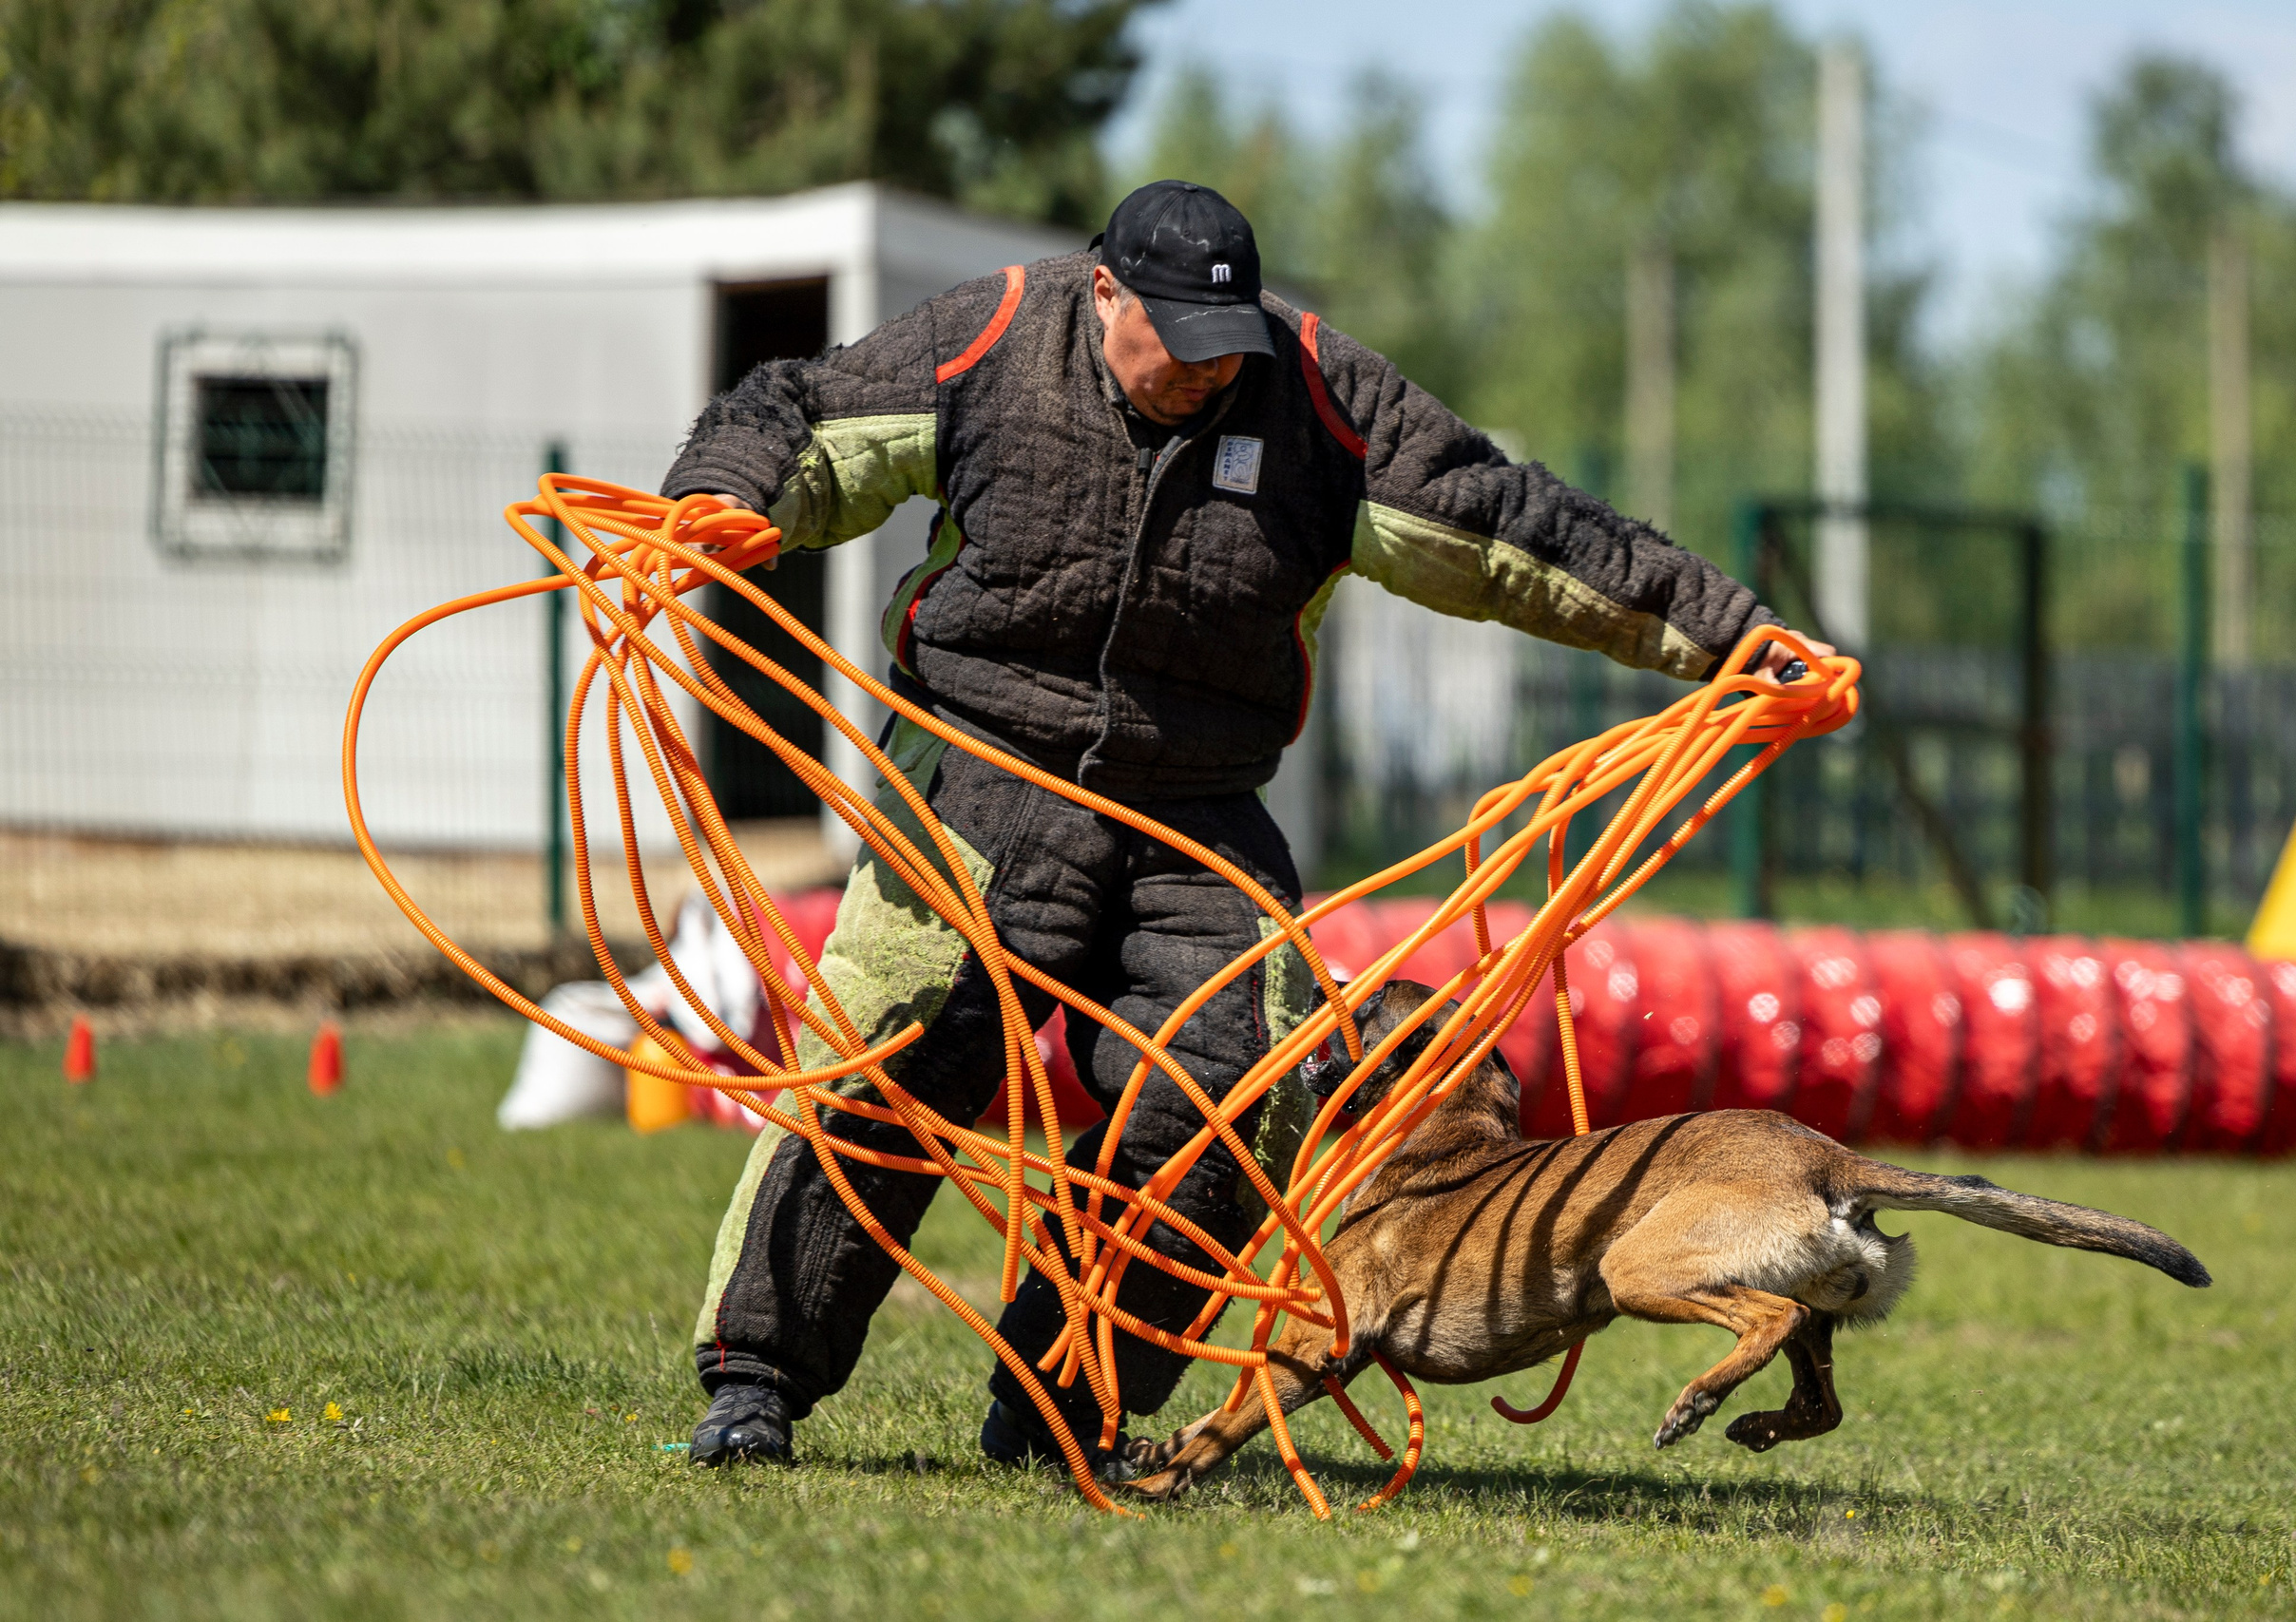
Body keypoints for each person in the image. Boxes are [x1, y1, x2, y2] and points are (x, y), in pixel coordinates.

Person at [665, 180, 1830, 1470]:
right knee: (888, 1053)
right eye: (1176, 339)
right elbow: (808, 418)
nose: (1208, 370)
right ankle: (755, 1379)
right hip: (977, 774)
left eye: (1230, 345)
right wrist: (723, 500)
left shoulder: (1322, 398)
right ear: (1102, 290)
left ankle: (1061, 1401)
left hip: (1199, 804)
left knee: (1242, 1078)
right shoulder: (991, 334)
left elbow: (1512, 527)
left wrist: (1733, 637)